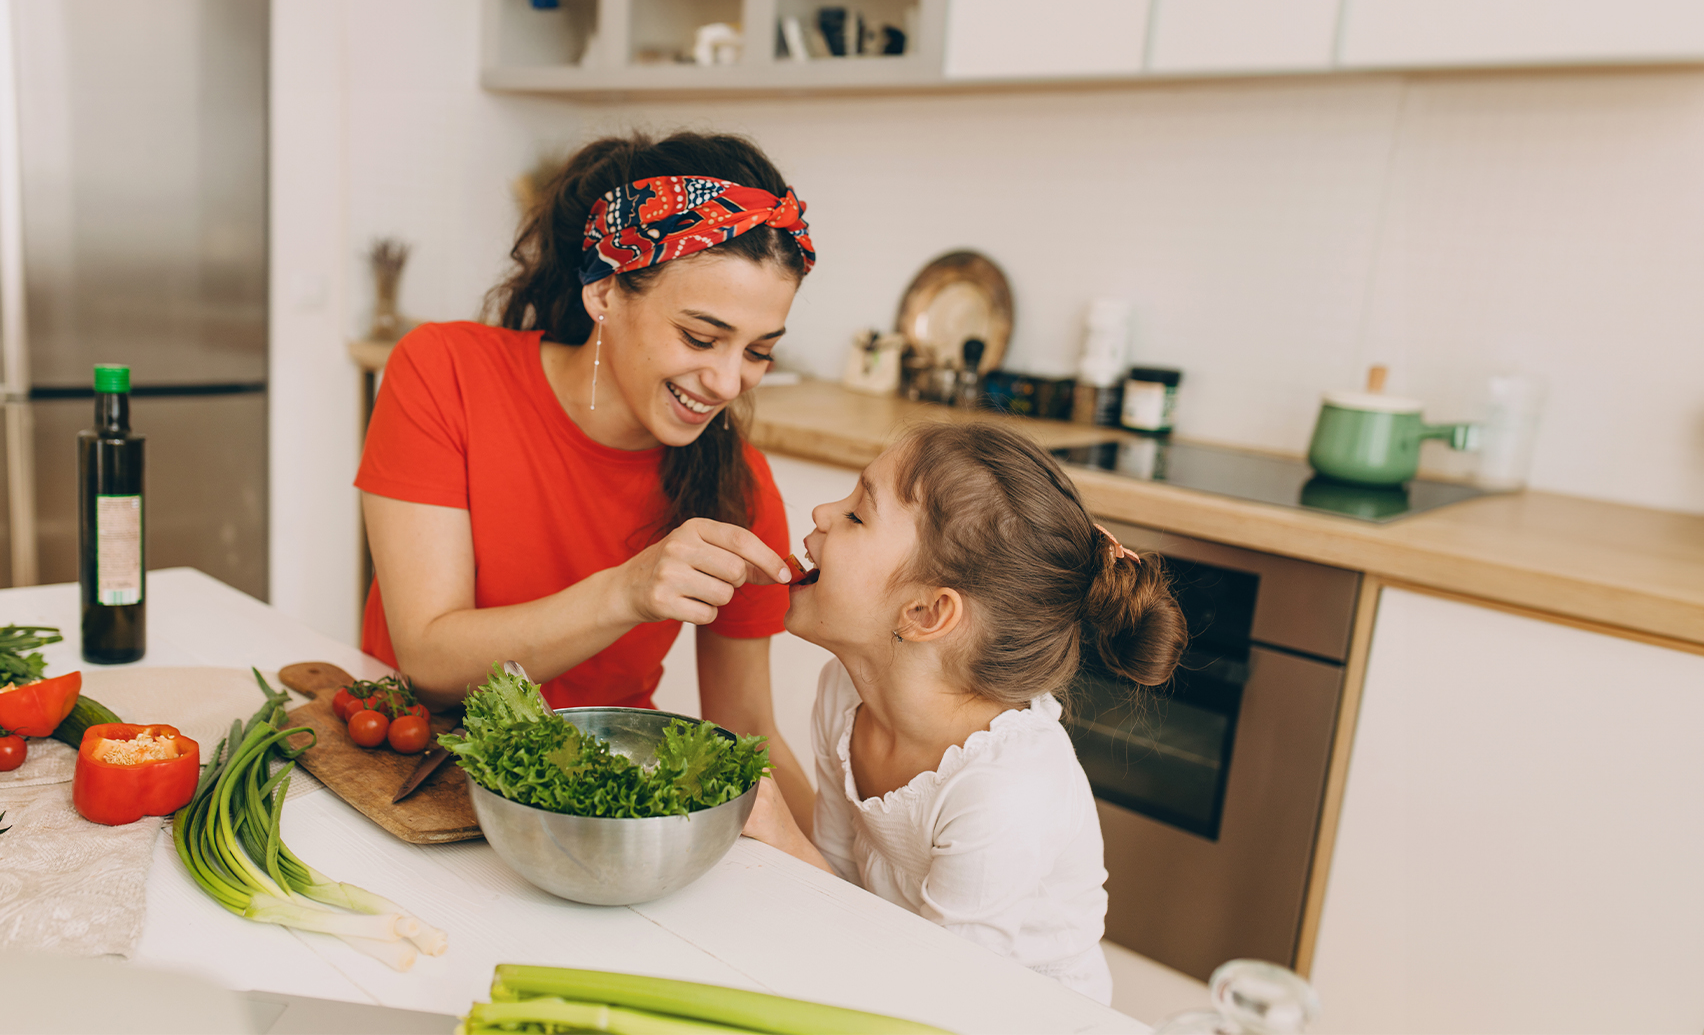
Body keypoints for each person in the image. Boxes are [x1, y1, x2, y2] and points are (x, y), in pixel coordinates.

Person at [356, 132, 819, 827]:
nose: (729, 382)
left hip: (598, 815)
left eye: (759, 352)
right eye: (700, 337)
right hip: (407, 778)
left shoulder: (740, 485)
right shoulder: (445, 372)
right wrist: (630, 590)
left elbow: (748, 735)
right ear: (604, 292)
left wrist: (855, 880)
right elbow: (428, 657)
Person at [740, 422, 1188, 1004]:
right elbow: (841, 889)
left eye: (857, 514)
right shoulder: (844, 694)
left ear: (926, 612)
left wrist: (786, 843)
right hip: (882, 980)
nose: (823, 512)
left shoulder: (1006, 792)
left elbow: (941, 997)